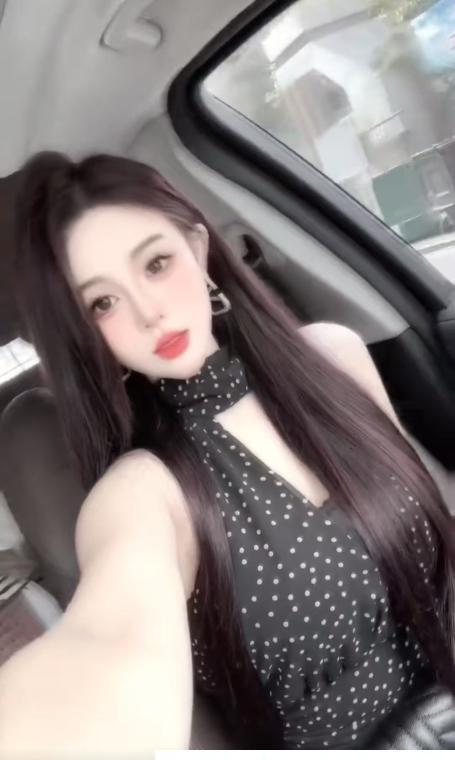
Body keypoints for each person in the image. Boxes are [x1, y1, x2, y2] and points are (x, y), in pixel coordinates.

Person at [0, 151, 454, 755]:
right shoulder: (144, 492)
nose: (149, 312)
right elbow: (105, 645)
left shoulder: (334, 357)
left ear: (198, 248)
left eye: (156, 263)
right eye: (102, 303)